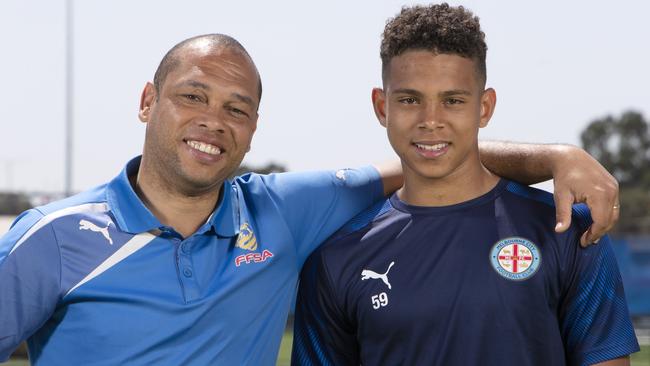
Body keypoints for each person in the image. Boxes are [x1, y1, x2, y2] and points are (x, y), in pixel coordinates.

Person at [0, 33, 619, 365]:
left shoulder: (284, 213)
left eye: (236, 108)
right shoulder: (51, 236)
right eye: (193, 97)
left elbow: (426, 156)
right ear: (147, 102)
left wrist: (557, 157)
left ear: (254, 127)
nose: (213, 120)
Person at [292, 4, 639, 366]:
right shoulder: (335, 260)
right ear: (382, 107)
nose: (431, 121)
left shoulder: (567, 230)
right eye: (410, 100)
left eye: (453, 101)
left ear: (484, 107)